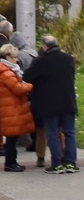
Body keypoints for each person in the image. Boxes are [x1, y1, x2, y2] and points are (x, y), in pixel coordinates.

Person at [23, 35, 78, 174]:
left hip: (49, 104)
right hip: (67, 101)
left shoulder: (40, 61)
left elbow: (27, 77)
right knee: (70, 132)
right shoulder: (68, 59)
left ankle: (57, 164)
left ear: (45, 46)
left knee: (52, 133)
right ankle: (71, 163)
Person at [0, 43, 34, 172]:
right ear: (8, 57)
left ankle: (12, 162)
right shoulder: (6, 72)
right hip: (10, 108)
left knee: (12, 138)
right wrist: (31, 86)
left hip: (9, 107)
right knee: (11, 138)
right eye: (14, 57)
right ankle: (10, 163)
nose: (17, 59)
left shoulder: (8, 69)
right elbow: (18, 88)